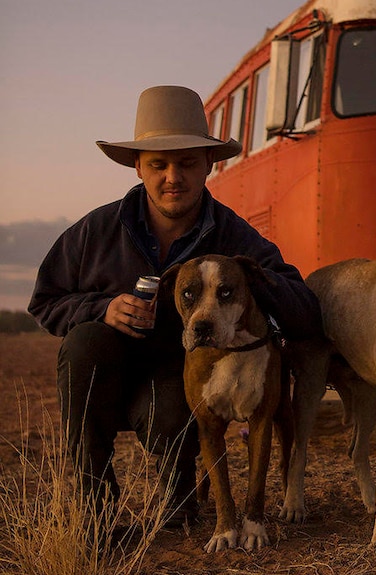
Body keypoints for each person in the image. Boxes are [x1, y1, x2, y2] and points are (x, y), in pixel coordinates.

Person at [29, 85, 322, 529]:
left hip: (176, 382)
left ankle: (180, 502)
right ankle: (94, 510)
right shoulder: (96, 231)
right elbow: (45, 300)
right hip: (105, 374)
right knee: (85, 341)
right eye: (158, 165)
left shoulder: (234, 237)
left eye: (187, 163)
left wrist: (251, 285)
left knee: (174, 404)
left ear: (209, 164)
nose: (173, 177)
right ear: (138, 168)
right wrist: (103, 307)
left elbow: (302, 306)